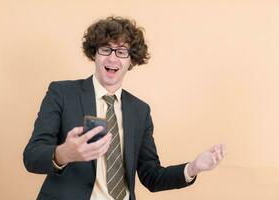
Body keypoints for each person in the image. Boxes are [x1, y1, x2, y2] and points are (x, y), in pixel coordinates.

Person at [23, 16, 226, 200]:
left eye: (122, 52)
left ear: (131, 60)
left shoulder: (140, 111)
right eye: (105, 49)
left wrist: (193, 168)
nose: (112, 58)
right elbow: (32, 156)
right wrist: (64, 153)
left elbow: (152, 176)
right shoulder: (62, 93)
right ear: (94, 53)